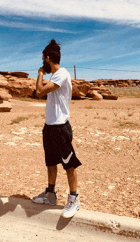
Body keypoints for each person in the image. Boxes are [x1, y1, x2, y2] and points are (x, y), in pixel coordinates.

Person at [32, 39, 82, 218]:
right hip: (50, 127)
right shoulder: (54, 77)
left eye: (42, 59)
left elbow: (38, 92)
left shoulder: (62, 74)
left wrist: (39, 73)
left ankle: (74, 199)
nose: (42, 62)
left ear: (46, 58)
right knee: (51, 162)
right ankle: (50, 195)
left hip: (61, 128)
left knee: (69, 164)